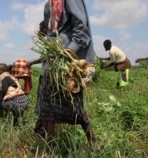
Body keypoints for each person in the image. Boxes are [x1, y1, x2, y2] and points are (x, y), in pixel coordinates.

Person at [29, 0, 97, 147]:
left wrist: (65, 55)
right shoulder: (50, 3)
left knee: (75, 106)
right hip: (52, 62)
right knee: (47, 106)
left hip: (67, 62)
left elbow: (82, 32)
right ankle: (50, 148)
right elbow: (52, 28)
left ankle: (93, 143)